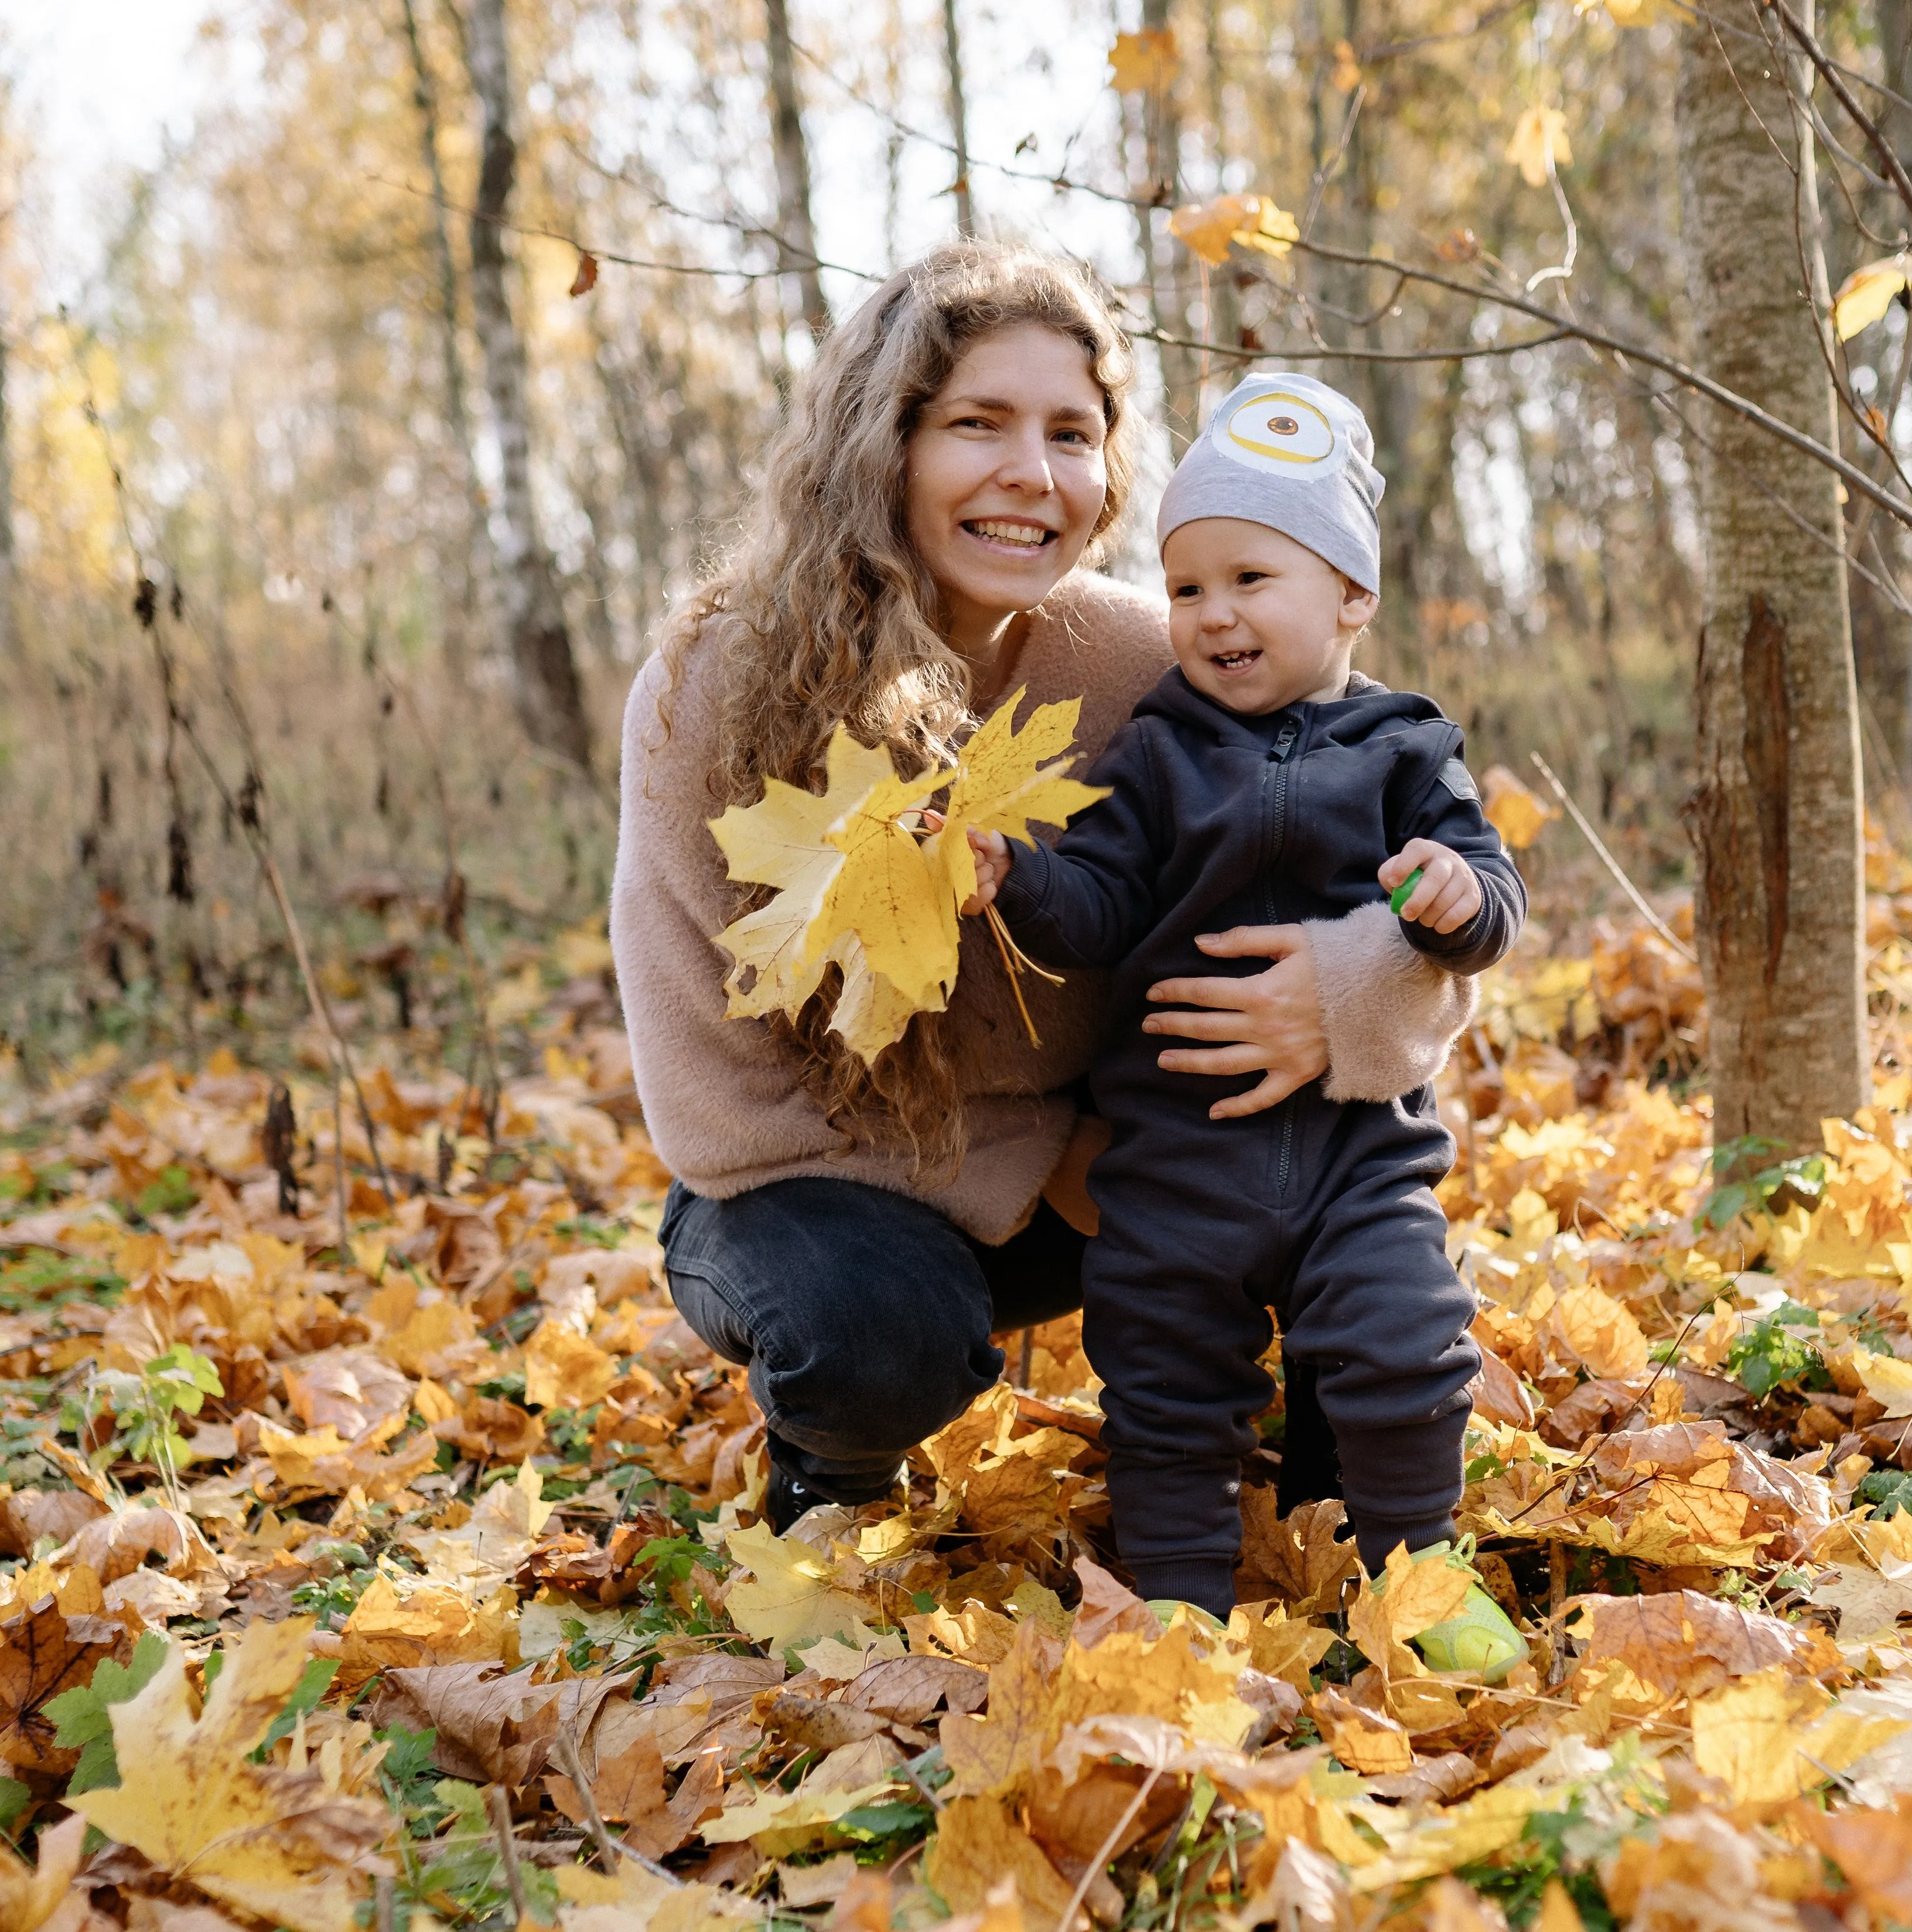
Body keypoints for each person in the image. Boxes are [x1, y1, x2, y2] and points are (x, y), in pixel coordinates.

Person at [610, 247, 1476, 1536]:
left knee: (1340, 1182)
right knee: (875, 1325)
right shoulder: (715, 683)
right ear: (882, 444)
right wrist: (1060, 1158)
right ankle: (834, 1476)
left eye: (1073, 433)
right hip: (812, 1194)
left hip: (1113, 1176)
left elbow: (1394, 831)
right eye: (978, 423)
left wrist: (1348, 998)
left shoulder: (1149, 652)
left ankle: (1337, 1482)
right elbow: (716, 1107)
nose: (1034, 472)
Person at [961, 372, 1524, 1643]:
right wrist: (1024, 880)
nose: (1211, 615)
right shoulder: (1154, 751)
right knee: (1163, 1385)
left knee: (1406, 1345)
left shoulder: (1408, 751)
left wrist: (1448, 894)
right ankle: (1179, 1613)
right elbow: (1101, 906)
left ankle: (1421, 1585)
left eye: (1250, 579)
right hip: (1174, 1161)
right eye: (1186, 587)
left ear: (1352, 595)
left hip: (1357, 1155)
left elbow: (1496, 900)